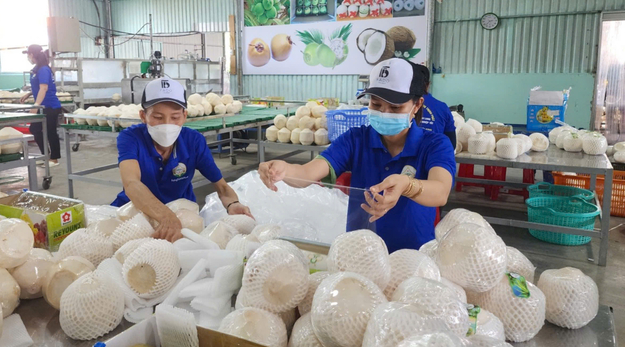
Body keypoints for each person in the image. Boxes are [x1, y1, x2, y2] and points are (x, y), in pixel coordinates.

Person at [258, 58, 456, 252]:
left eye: (395, 108)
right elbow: (308, 173)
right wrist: (285, 170)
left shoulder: (434, 144)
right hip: (360, 254)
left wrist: (407, 185)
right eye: (376, 105)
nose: (384, 113)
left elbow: (440, 191)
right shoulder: (356, 140)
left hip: (413, 257)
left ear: (417, 105)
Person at [114, 77, 252, 242]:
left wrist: (232, 204)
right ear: (143, 116)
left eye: (175, 117)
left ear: (185, 115)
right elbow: (131, 184)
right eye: (158, 117)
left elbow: (221, 187)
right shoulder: (131, 138)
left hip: (181, 217)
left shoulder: (193, 141)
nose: (167, 124)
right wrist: (166, 216)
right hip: (134, 217)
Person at [20, 44, 61, 167]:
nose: (28, 57)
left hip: (50, 106)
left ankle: (54, 159)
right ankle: (46, 156)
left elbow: (44, 88)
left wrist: (35, 105)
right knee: (35, 129)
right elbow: (39, 86)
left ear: (32, 55)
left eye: (28, 54)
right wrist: (29, 94)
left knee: (50, 132)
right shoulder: (37, 68)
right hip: (42, 106)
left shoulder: (43, 69)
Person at [420, 83, 457, 148]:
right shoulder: (442, 108)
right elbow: (451, 144)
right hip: (433, 153)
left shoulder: (403, 105)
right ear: (428, 85)